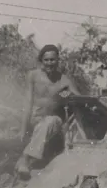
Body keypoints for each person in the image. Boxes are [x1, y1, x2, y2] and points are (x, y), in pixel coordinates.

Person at [15, 44, 81, 179]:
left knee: (49, 121)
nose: (49, 63)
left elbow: (79, 99)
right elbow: (28, 102)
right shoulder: (33, 76)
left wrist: (68, 96)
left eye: (53, 60)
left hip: (52, 121)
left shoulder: (64, 80)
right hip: (34, 117)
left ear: (58, 60)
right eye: (46, 60)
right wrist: (23, 129)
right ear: (41, 61)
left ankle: (25, 159)